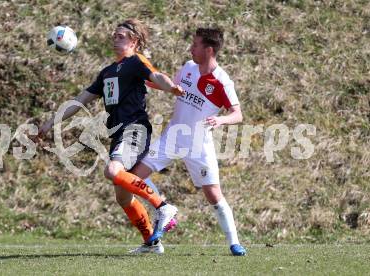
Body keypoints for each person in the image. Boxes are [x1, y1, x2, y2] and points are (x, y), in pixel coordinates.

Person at [35, 19, 183, 253]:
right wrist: (50, 123)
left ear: (134, 40)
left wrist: (171, 87)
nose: (115, 38)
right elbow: (79, 101)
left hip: (135, 128)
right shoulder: (106, 73)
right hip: (119, 133)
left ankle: (162, 206)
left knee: (113, 171)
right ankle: (151, 243)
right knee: (123, 198)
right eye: (114, 35)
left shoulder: (135, 62)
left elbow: (156, 76)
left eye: (121, 36)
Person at [128, 27, 247, 256]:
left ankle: (234, 242)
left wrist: (221, 120)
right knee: (133, 177)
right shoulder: (189, 68)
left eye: (195, 45)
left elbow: (237, 113)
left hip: (198, 144)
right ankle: (164, 209)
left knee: (213, 195)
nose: (191, 48)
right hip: (172, 136)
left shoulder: (222, 81)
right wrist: (141, 78)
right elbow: (172, 86)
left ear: (208, 50)